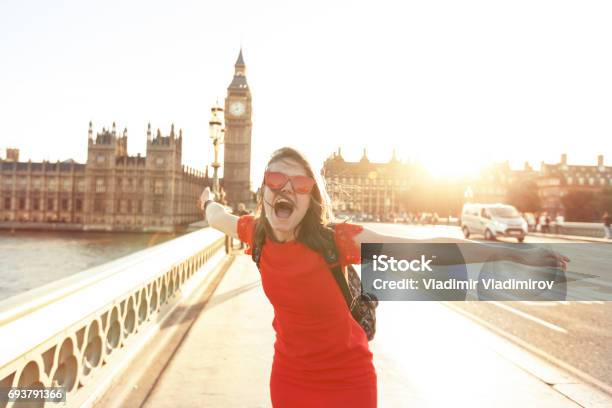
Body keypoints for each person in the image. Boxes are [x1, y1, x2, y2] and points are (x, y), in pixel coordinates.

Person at [198, 147, 568, 408]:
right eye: (275, 178)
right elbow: (218, 218)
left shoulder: (337, 240)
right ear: (262, 189)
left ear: (312, 198)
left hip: (348, 382)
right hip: (290, 379)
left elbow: (432, 250)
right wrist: (207, 202)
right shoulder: (255, 232)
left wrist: (518, 253)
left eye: (300, 184)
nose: (286, 189)